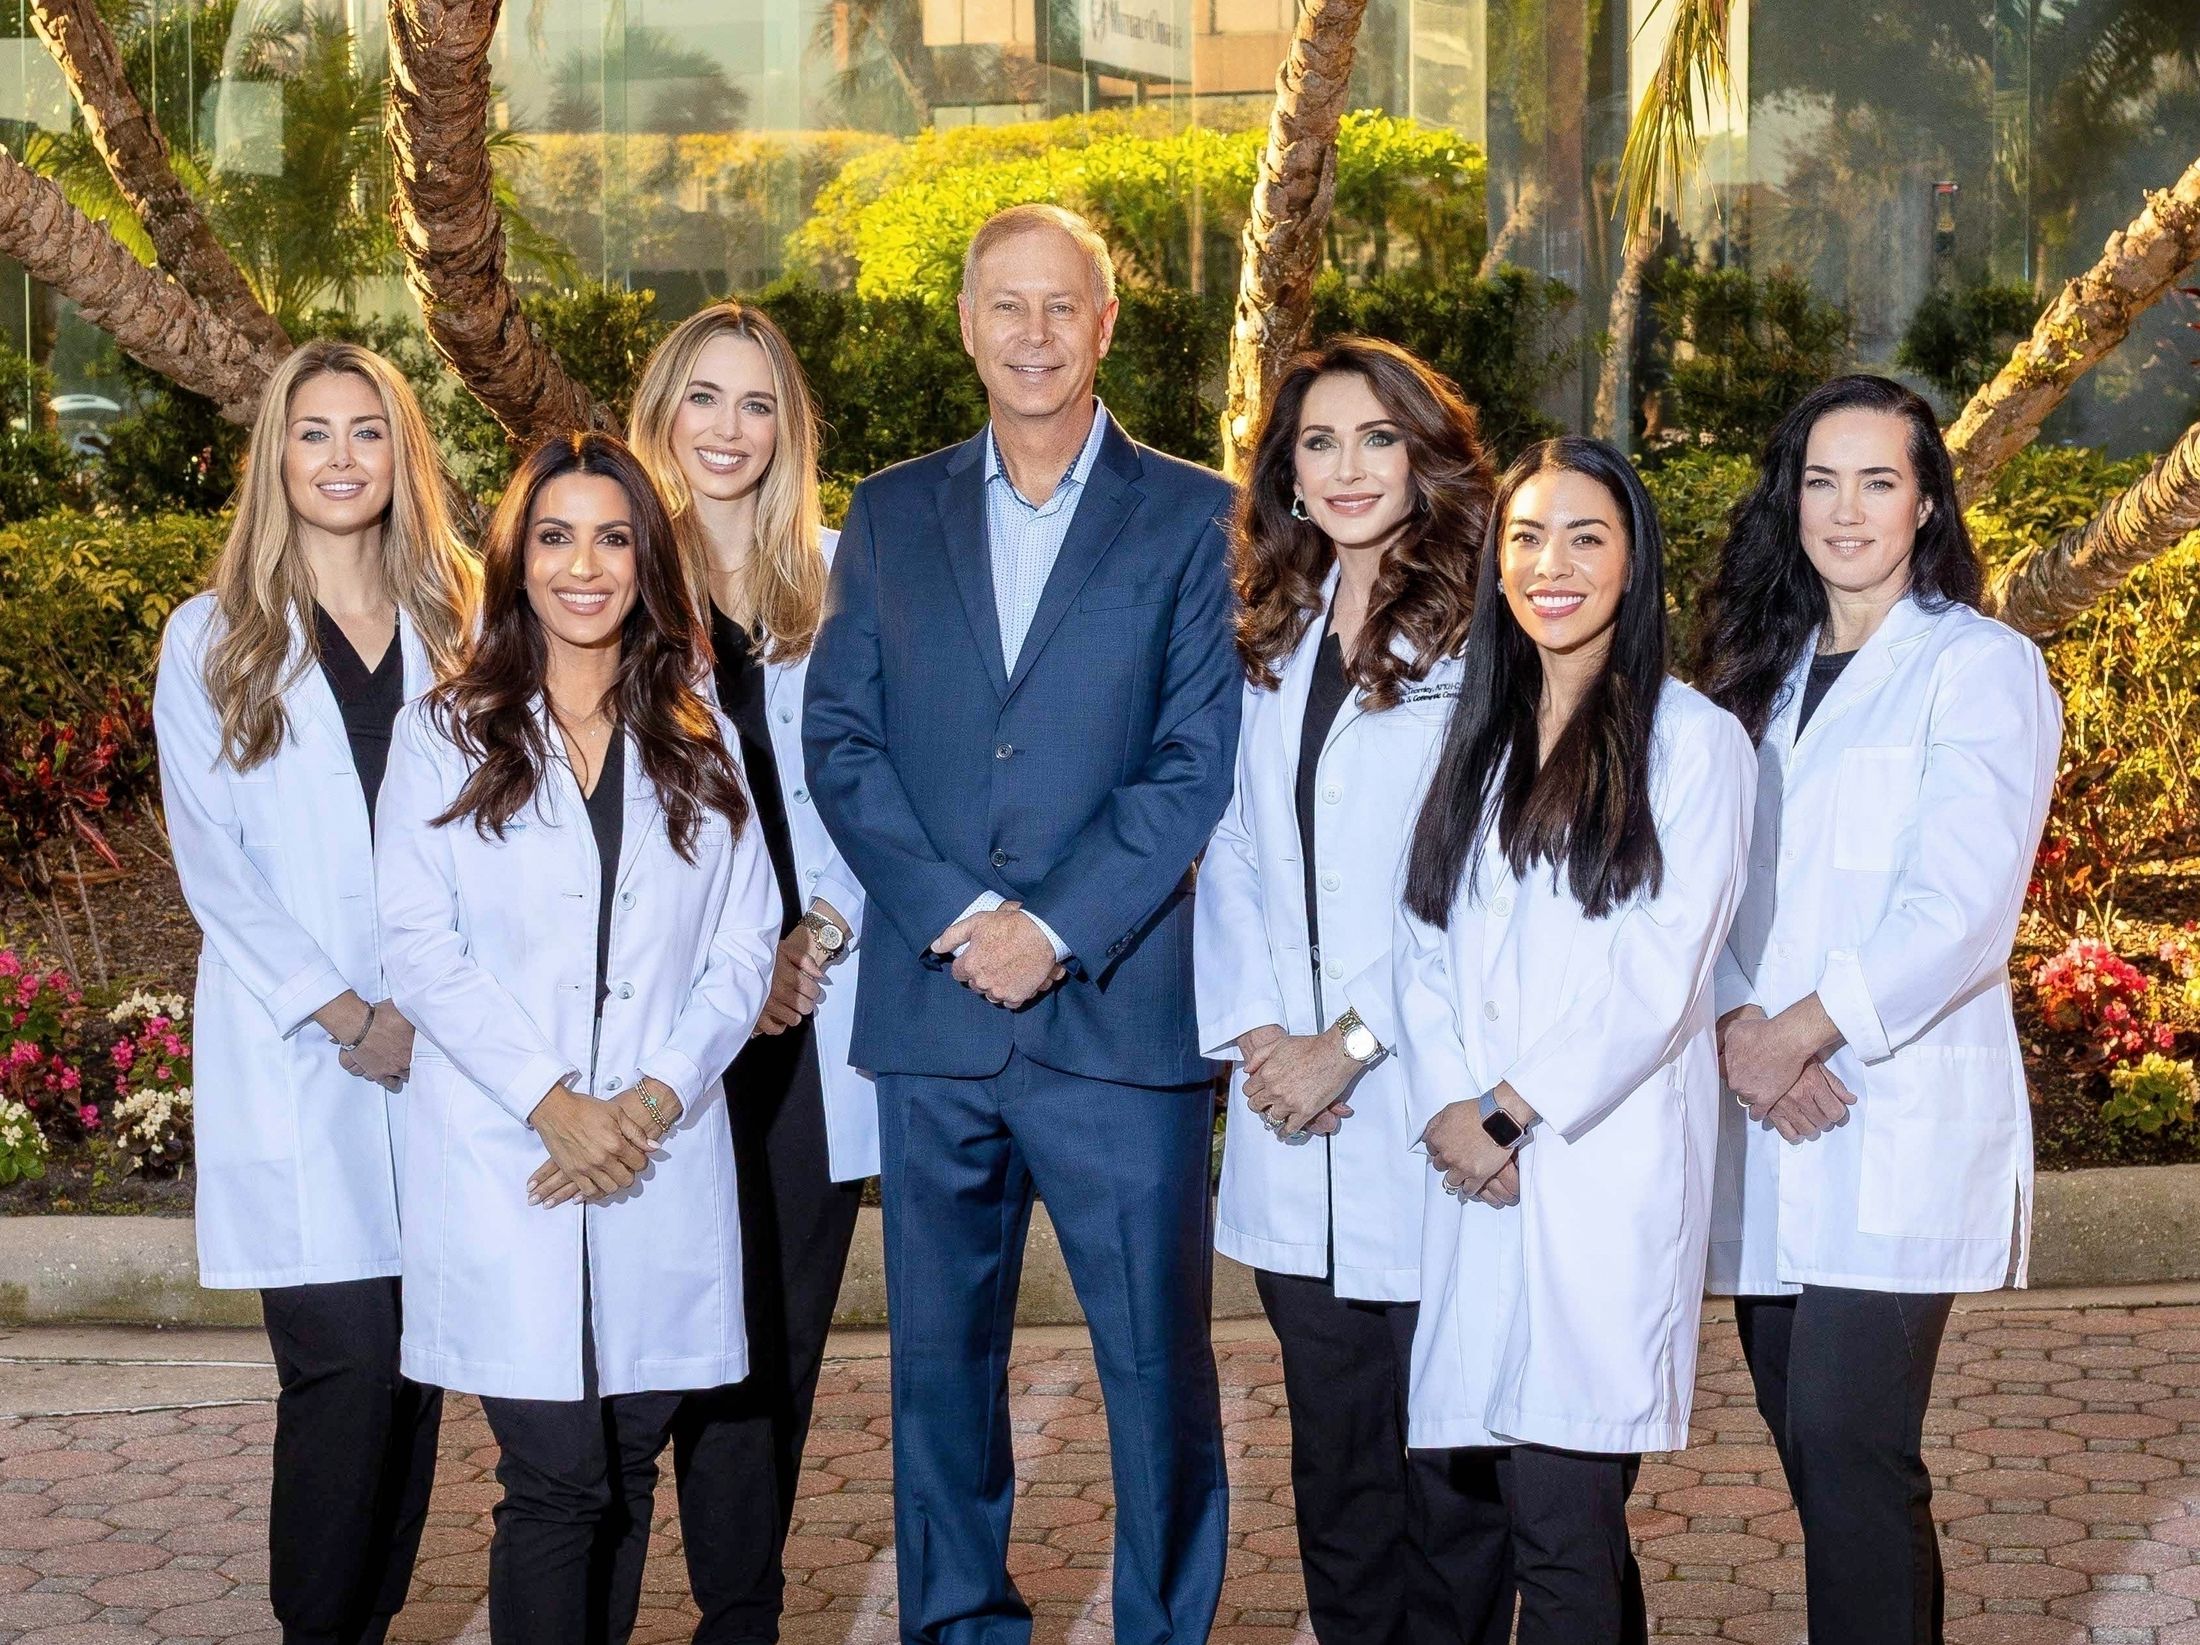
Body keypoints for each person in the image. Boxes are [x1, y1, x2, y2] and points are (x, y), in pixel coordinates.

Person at [803, 202, 1241, 1645]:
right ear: (969, 325)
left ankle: (1162, 1626)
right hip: (936, 1025)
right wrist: (962, 916)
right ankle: (959, 1627)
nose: (1036, 335)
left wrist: (1052, 926)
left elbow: (1195, 761)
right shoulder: (890, 509)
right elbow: (844, 742)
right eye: (1009, 306)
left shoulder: (1195, 514)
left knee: (1155, 1373)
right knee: (939, 1371)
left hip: (1119, 1022)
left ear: (1106, 326)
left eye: (1065, 307)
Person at [374, 432, 780, 1645]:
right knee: (555, 1476)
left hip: (656, 1149)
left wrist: (647, 1103)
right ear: (517, 558)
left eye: (613, 537)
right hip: (515, 1158)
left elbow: (745, 946)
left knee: (627, 1467)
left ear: (648, 560)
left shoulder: (701, 735)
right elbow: (418, 944)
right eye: (555, 536)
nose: (584, 565)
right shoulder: (443, 731)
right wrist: (554, 1102)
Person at [1696, 375, 2063, 1645]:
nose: (1844, 510)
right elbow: (1710, 889)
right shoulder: (1756, 675)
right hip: (1767, 1104)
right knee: (1814, 1453)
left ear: (1924, 505)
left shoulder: (1979, 666)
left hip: (1886, 1108)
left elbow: (1960, 907)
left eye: (1876, 481)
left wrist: (1795, 1030)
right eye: (1819, 480)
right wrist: (1745, 1032)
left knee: (1855, 1450)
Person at [1395, 437, 1755, 1644]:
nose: (1552, 565)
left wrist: (1505, 1109)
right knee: (1491, 1505)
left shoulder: (1693, 742)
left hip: (1596, 1170)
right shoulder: (1477, 735)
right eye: (1527, 536)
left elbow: (1659, 976)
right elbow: (1421, 939)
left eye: (1585, 537)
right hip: (1477, 1175)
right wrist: (1455, 1105)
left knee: (1561, 1522)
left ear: (1634, 562)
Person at [153, 339, 476, 1645]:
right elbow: (213, 866)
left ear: (403, 456)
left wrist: (439, 1008)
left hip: (449, 1058)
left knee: (417, 1386)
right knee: (343, 1374)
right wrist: (346, 1012)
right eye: (315, 433)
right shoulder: (213, 638)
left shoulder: (464, 619)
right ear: (275, 460)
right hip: (310, 1060)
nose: (342, 459)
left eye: (368, 432)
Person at [1193, 335, 1502, 1644]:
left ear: (1425, 455)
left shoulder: (1487, 637)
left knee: (1453, 1476)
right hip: (1291, 1119)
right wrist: (1265, 1036)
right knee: (1337, 1468)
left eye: (1378, 437)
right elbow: (1242, 853)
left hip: (1418, 1102)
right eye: (1318, 442)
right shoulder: (1269, 633)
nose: (1348, 467)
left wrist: (1351, 1045)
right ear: (1287, 473)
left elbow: (1477, 883)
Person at [627, 300, 873, 1642]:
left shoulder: (837, 587)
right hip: (661, 1027)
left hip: (802, 1026)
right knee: (644, 1345)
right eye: (703, 398)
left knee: (768, 1353)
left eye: (757, 402)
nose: (728, 429)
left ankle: (743, 1617)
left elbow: (883, 810)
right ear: (663, 412)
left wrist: (810, 941)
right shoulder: (609, 573)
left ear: (789, 428)